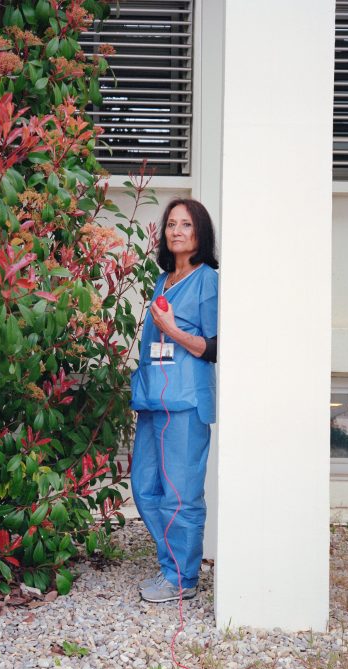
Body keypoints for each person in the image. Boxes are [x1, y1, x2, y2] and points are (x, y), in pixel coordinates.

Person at [130, 198, 219, 603]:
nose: (176, 230)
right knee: (145, 487)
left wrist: (172, 329)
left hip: (184, 401)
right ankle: (171, 567)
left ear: (200, 232)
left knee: (180, 493)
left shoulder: (208, 280)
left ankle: (182, 579)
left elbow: (215, 346)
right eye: (170, 224)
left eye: (185, 224)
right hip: (152, 398)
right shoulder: (161, 279)